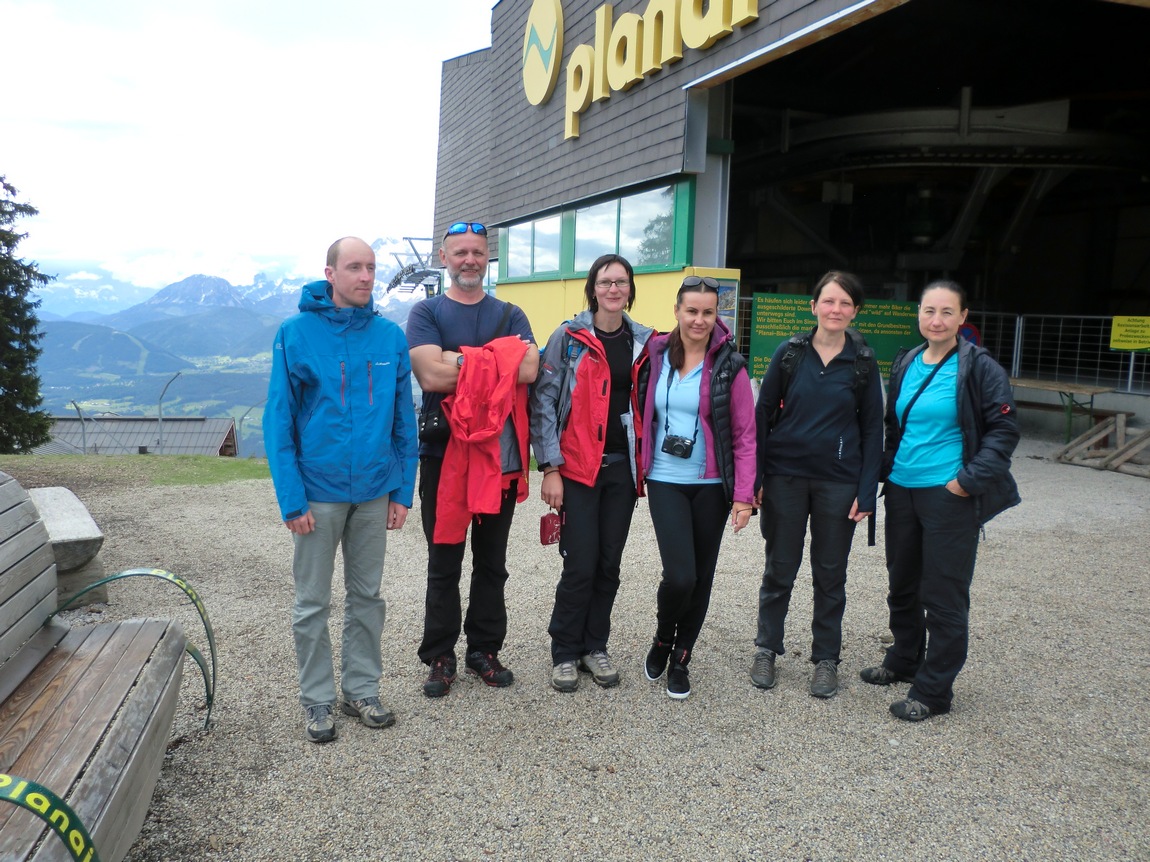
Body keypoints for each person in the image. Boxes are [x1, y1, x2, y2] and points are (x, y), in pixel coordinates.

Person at [265, 236, 418, 743]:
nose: (366, 276)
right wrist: (292, 499)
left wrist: (402, 492)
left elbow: (404, 420)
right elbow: (278, 420)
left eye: (371, 267)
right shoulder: (295, 333)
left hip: (374, 490)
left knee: (367, 597)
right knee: (312, 602)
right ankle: (317, 700)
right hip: (318, 492)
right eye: (354, 267)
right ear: (330, 273)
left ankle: (362, 690)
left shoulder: (389, 337)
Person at [860, 279, 1020, 721]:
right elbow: (895, 424)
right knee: (903, 582)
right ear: (919, 314)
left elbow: (1004, 430)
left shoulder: (980, 368)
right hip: (903, 489)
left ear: (963, 317)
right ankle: (905, 657)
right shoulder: (907, 361)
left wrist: (967, 481)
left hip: (949, 494)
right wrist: (885, 471)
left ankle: (933, 691)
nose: (937, 320)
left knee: (944, 593)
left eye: (947, 312)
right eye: (929, 310)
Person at [406, 221, 539, 698]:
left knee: (492, 562)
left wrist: (456, 358)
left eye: (478, 252)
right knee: (444, 559)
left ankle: (484, 649)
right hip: (443, 455)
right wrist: (493, 362)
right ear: (444, 257)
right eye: (460, 252)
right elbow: (429, 376)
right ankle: (440, 654)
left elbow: (530, 368)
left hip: (498, 457)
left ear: (487, 258)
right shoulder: (426, 311)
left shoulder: (510, 313)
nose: (469, 260)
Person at [749, 271, 883, 698]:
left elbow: (873, 429)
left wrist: (867, 491)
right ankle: (767, 648)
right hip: (785, 476)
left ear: (855, 311)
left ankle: (826, 658)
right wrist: (756, 477)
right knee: (779, 568)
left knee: (830, 574)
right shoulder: (790, 354)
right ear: (813, 306)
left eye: (845, 303)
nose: (835, 309)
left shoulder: (862, 362)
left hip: (838, 482)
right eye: (828, 301)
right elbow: (762, 414)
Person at [530, 254, 656, 692]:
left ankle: (594, 646)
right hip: (578, 469)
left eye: (621, 282)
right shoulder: (569, 337)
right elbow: (543, 402)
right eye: (605, 282)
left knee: (608, 564)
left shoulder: (642, 342)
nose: (613, 289)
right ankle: (565, 651)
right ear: (593, 288)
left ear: (630, 289)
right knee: (580, 563)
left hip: (622, 471)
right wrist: (550, 467)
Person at [640, 275, 757, 699]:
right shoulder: (655, 355)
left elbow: (745, 434)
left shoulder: (730, 365)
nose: (699, 319)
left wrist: (744, 496)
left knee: (701, 577)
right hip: (665, 479)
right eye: (691, 310)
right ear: (677, 311)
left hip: (711, 485)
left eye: (708, 312)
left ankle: (682, 657)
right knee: (680, 576)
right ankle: (662, 638)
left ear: (716, 315)